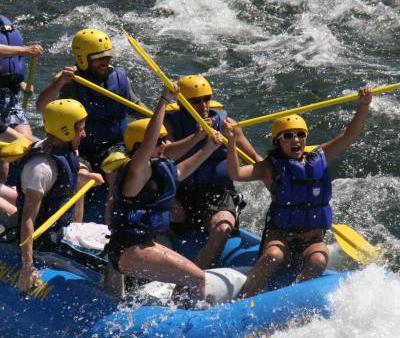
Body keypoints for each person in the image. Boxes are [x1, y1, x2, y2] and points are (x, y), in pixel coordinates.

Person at [226, 87, 373, 298]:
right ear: (278, 141)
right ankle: (245, 299)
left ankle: (292, 301)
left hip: (312, 239)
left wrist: (364, 105)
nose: (296, 140)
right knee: (273, 256)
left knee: (319, 261)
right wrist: (231, 141)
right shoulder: (270, 167)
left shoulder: (320, 156)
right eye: (288, 136)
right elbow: (236, 173)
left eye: (300, 134)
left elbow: (351, 134)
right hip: (281, 237)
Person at [104, 84, 224, 304]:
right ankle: (191, 327)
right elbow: (149, 142)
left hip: (142, 244)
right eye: (161, 140)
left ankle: (178, 314)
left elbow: (179, 170)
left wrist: (207, 147)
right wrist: (163, 101)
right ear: (141, 146)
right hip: (129, 249)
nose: (166, 144)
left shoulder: (155, 169)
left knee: (191, 274)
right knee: (197, 278)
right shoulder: (136, 170)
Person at [163, 75, 263, 269]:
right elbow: (165, 154)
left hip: (219, 192)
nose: (203, 105)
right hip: (182, 191)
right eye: (196, 101)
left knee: (223, 228)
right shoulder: (170, 124)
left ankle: (200, 273)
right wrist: (196, 137)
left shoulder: (228, 126)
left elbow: (256, 160)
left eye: (206, 98)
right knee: (172, 216)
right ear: (182, 102)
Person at [18, 99, 104, 292]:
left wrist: (86, 175)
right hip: (49, 243)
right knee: (113, 262)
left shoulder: (61, 147)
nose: (84, 133)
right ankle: (119, 306)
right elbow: (27, 219)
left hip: (63, 230)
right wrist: (27, 266)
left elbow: (65, 173)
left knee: (116, 243)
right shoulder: (41, 169)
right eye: (80, 129)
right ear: (65, 130)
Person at [36, 28, 147, 171]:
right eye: (99, 59)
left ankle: (113, 193)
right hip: (81, 148)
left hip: (116, 145)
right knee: (82, 172)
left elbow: (137, 107)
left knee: (116, 164)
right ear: (83, 58)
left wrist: (160, 117)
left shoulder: (120, 78)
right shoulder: (69, 82)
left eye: (108, 57)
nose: (105, 62)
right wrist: (59, 83)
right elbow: (41, 107)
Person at [0, 14, 43, 182]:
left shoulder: (5, 26)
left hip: (8, 98)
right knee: (4, 157)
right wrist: (25, 50)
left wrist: (19, 83)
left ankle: (23, 189)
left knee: (27, 148)